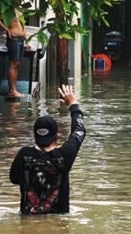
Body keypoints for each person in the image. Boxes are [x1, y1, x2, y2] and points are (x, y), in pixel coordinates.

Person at [9, 85, 86, 215]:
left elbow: (14, 178)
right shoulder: (64, 155)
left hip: (29, 222)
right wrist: (73, 105)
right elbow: (80, 130)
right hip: (59, 223)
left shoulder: (24, 154)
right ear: (57, 136)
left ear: (35, 137)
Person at [0, 9, 28, 99]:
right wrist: (6, 29)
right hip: (14, 38)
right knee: (13, 64)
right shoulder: (7, 8)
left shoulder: (20, 10)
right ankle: (12, 91)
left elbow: (23, 26)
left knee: (17, 64)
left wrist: (27, 41)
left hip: (21, 39)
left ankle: (13, 90)